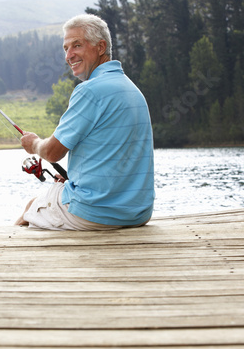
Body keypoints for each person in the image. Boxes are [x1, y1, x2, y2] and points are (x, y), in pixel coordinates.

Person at [15, 14, 155, 230]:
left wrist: (34, 144)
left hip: (95, 213)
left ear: (100, 47)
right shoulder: (133, 90)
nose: (69, 56)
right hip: (138, 213)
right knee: (46, 202)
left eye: (77, 45)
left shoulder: (89, 91)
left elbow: (52, 152)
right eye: (65, 48)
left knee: (31, 207)